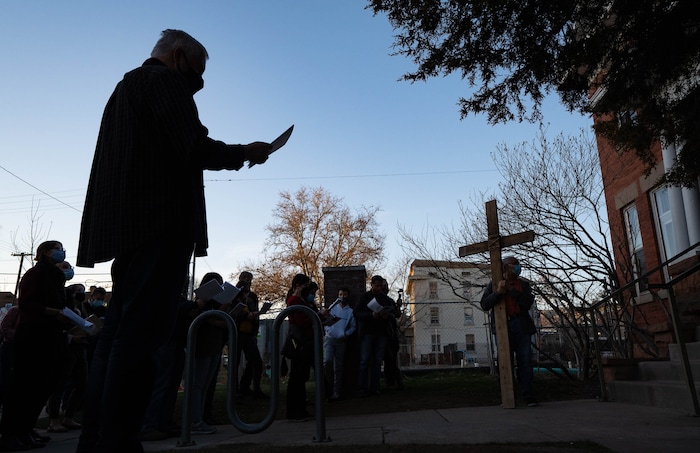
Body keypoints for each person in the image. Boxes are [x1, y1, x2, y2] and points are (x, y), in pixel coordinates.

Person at [75, 29, 274, 453]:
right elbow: (192, 147)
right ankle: (119, 441)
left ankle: (97, 440)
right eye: (196, 75)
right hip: (159, 226)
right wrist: (246, 152)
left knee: (116, 340)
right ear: (179, 56)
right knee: (140, 342)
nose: (197, 85)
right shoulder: (162, 82)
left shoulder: (125, 89)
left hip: (130, 230)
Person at [0, 240, 68, 451]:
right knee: (24, 386)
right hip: (33, 334)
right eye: (56, 249)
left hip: (51, 333)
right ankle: (11, 434)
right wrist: (51, 312)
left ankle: (26, 430)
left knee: (42, 385)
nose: (61, 252)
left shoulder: (55, 276)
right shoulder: (34, 274)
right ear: (45, 252)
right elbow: (27, 304)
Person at [480, 255, 538, 407]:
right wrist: (499, 292)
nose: (517, 267)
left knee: (525, 361)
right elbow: (485, 304)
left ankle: (529, 396)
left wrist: (510, 290)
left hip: (521, 325)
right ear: (505, 267)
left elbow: (526, 303)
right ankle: (508, 396)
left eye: (518, 265)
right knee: (505, 362)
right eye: (513, 265)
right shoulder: (493, 285)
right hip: (502, 326)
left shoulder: (523, 285)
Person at [284, 274, 324, 421]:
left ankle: (300, 409)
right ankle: (295, 412)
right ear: (299, 285)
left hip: (307, 340)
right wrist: (319, 317)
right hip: (301, 342)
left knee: (301, 377)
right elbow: (301, 321)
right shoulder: (294, 300)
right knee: (297, 377)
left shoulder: (301, 300)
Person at [354, 275, 397, 397]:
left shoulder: (384, 299)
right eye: (377, 286)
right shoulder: (364, 297)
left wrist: (387, 316)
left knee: (377, 361)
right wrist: (371, 315)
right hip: (368, 332)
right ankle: (362, 388)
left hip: (381, 333)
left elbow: (393, 313)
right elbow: (356, 313)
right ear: (371, 284)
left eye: (380, 286)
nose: (379, 288)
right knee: (365, 360)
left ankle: (374, 387)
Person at [233, 271, 265, 399]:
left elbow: (254, 310)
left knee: (255, 360)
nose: (248, 281)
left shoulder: (252, 296)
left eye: (250, 279)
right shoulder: (234, 293)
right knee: (234, 362)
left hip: (249, 332)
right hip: (236, 331)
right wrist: (246, 315)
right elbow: (233, 311)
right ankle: (234, 391)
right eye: (245, 279)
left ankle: (248, 386)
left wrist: (255, 318)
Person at [323, 287, 356, 401]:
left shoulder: (350, 312)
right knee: (327, 362)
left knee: (338, 366)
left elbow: (353, 327)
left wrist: (346, 334)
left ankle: (336, 392)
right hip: (330, 339)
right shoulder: (332, 308)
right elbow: (325, 321)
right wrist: (329, 330)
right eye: (340, 294)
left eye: (345, 294)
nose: (342, 297)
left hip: (341, 341)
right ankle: (326, 390)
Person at [381, 279, 404, 390]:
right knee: (389, 358)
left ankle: (393, 381)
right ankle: (394, 381)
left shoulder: (390, 301)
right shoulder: (376, 300)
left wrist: (398, 306)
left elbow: (397, 314)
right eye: (383, 285)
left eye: (386, 285)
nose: (385, 288)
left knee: (392, 358)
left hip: (391, 333)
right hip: (382, 333)